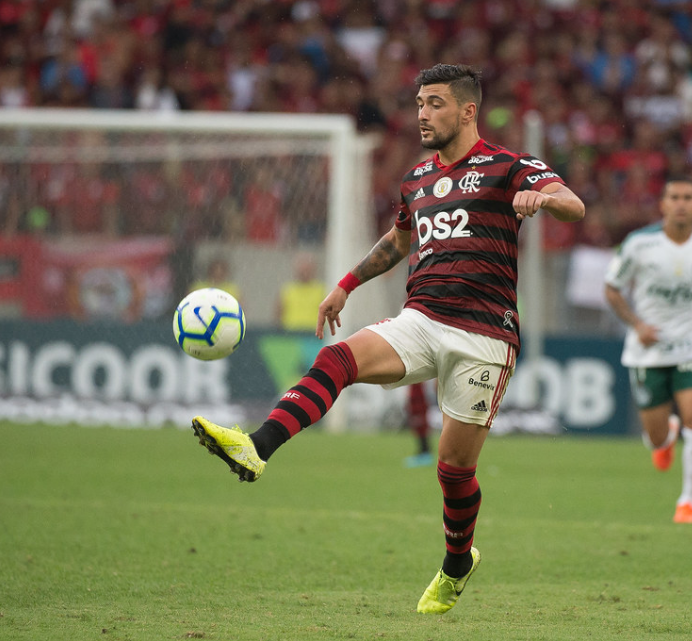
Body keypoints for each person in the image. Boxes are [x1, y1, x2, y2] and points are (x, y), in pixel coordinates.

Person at [190, 64, 585, 614]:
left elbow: (573, 202)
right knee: (339, 357)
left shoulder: (508, 166)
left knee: (453, 469)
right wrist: (346, 284)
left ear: (468, 111)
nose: (423, 112)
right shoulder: (418, 178)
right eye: (420, 102)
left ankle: (457, 561)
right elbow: (399, 239)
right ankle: (257, 447)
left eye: (437, 103)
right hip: (421, 317)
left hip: (485, 335)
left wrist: (542, 200)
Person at [604, 176, 692, 525]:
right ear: (662, 205)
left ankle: (688, 501)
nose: (680, 203)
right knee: (656, 437)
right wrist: (637, 325)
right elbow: (612, 288)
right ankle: (666, 438)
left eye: (687, 197)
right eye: (674, 197)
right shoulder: (639, 244)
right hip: (649, 349)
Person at [275, 252, 327, 331]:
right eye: (302, 270)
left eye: (307, 269)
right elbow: (279, 313)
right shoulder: (287, 290)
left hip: (315, 335)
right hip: (292, 335)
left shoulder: (322, 290)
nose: (304, 273)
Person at [405, 381, 434, 468]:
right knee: (419, 430)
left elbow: (418, 395)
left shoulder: (417, 382)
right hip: (417, 406)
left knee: (422, 429)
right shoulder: (416, 383)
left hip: (418, 406)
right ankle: (423, 452)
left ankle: (425, 453)